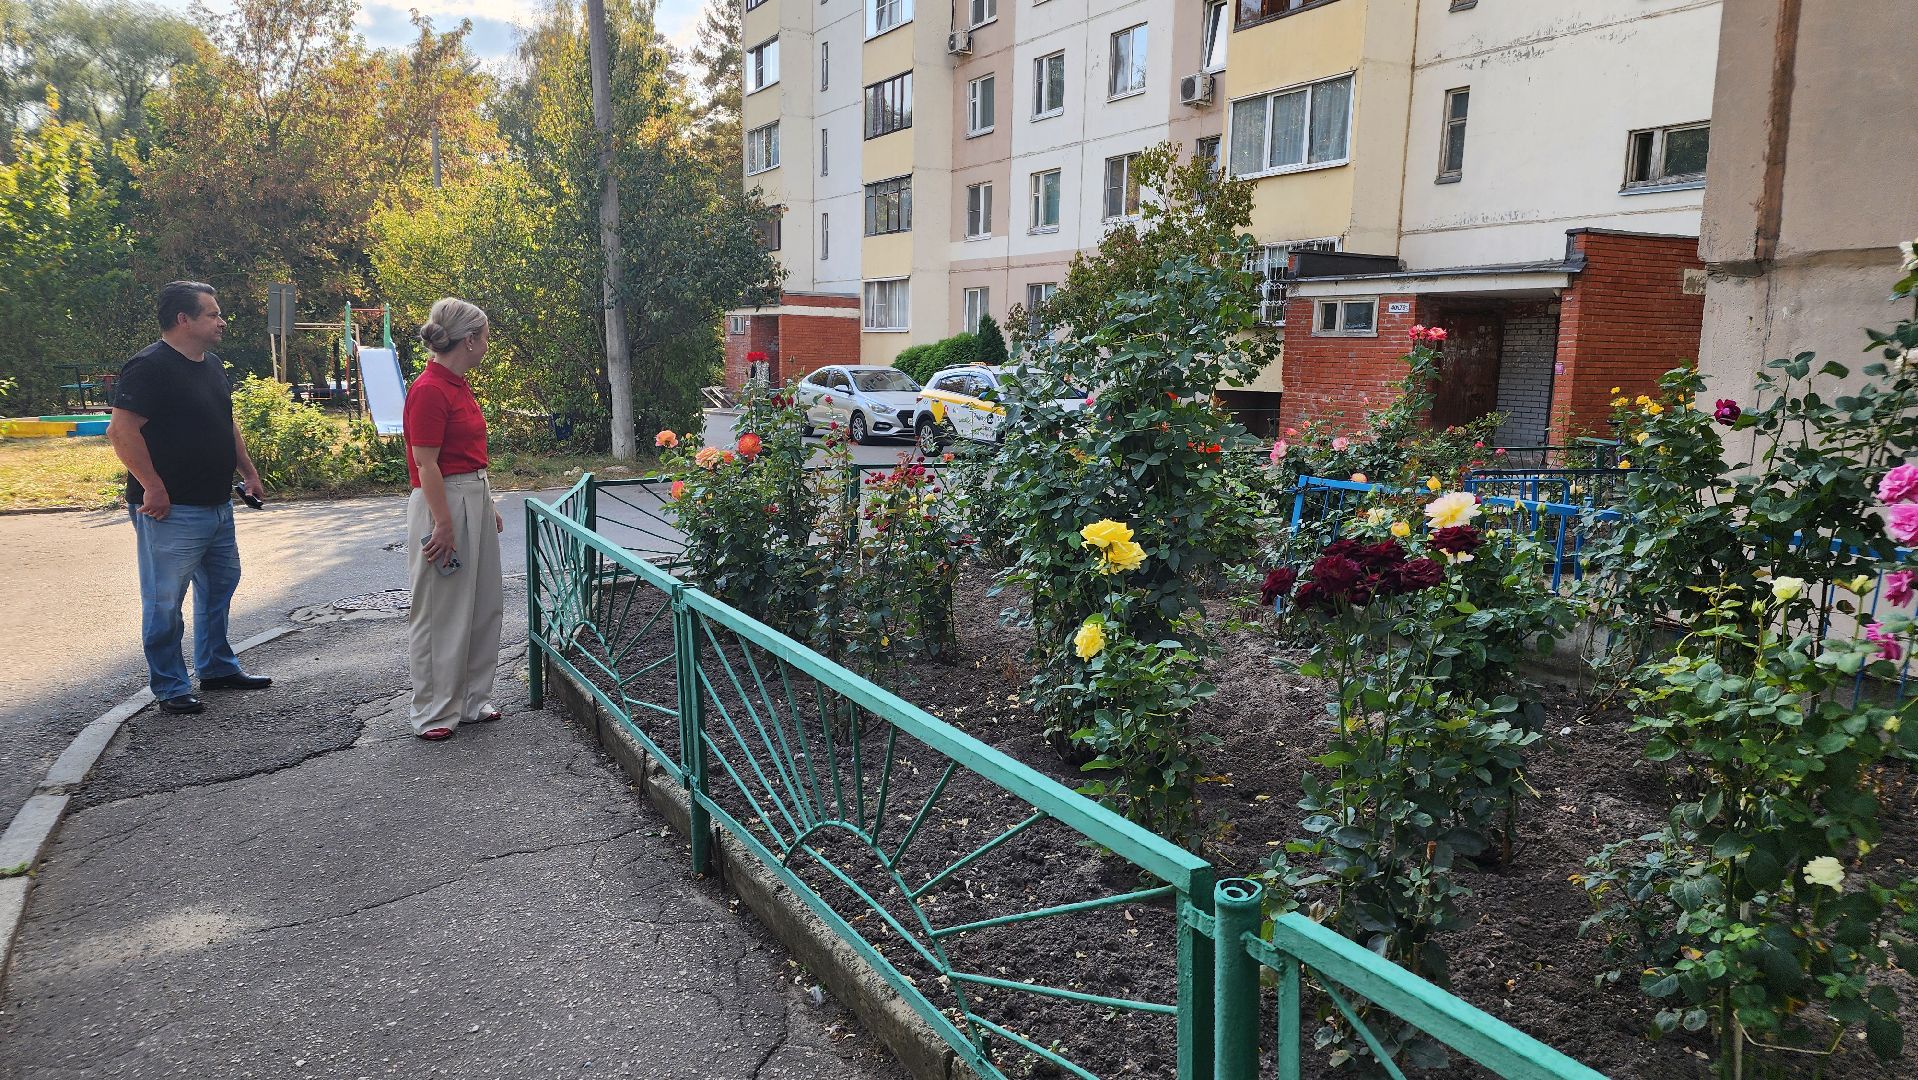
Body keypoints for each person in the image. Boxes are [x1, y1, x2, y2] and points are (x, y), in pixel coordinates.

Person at [107, 281, 270, 715]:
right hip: (170, 508)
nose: (221, 321)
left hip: (217, 504)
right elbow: (121, 433)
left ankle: (216, 667)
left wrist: (249, 473)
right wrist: (153, 487)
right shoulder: (148, 367)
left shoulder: (212, 364)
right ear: (184, 319)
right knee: (165, 601)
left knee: (220, 587)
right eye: (213, 314)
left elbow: (225, 424)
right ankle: (170, 686)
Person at [403, 297, 503, 741]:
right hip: (442, 500)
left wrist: (487, 502)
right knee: (441, 609)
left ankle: (471, 700)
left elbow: (467, 454)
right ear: (469, 340)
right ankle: (434, 710)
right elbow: (426, 465)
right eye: (484, 336)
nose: (487, 344)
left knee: (482, 603)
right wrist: (442, 524)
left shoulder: (457, 384)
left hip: (470, 494)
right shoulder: (429, 389)